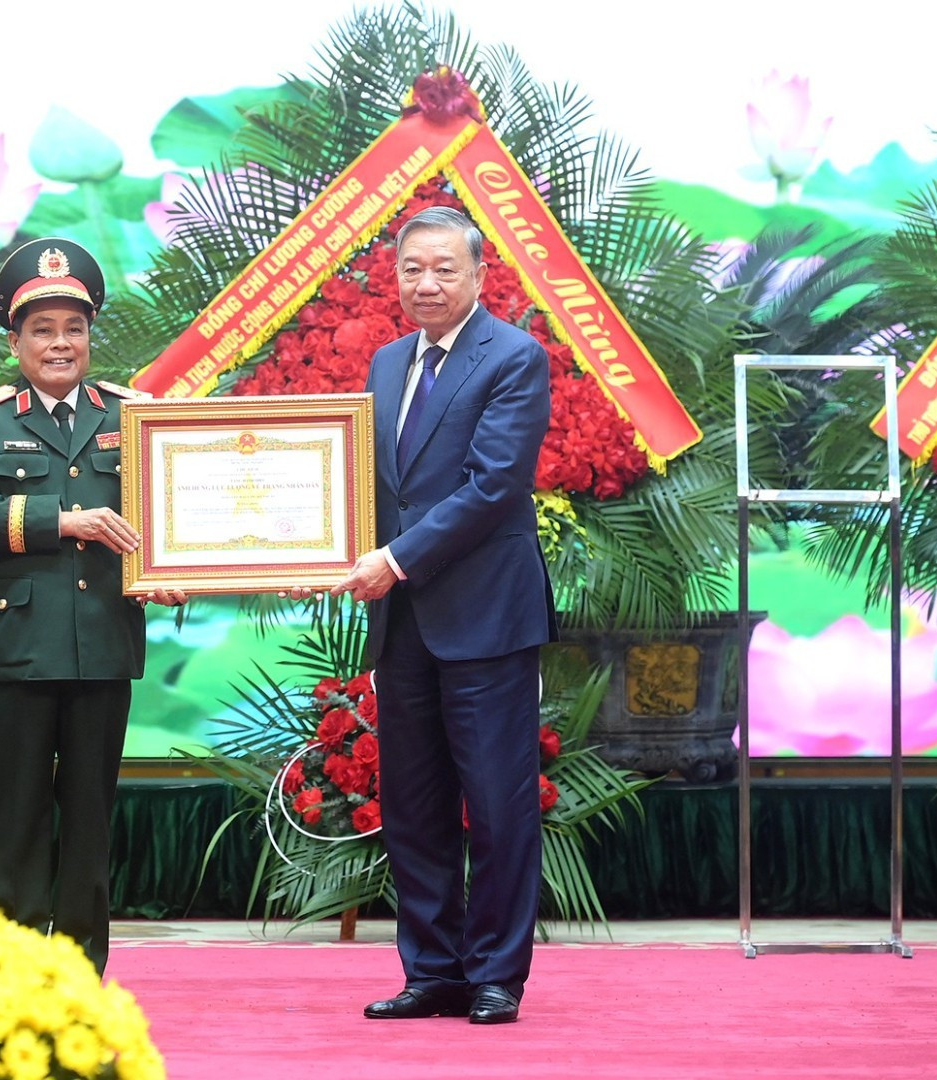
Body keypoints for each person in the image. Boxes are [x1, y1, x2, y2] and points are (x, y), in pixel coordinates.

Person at [331, 205, 555, 1024]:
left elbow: (493, 488)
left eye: (443, 270)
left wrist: (391, 561)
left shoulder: (514, 357)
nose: (426, 284)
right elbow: (366, 484)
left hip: (486, 616)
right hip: (404, 623)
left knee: (497, 803)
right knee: (414, 804)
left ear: (478, 274)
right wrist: (317, 556)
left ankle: (496, 974)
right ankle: (432, 970)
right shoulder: (388, 364)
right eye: (411, 271)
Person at [0, 238, 184, 974]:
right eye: (43, 330)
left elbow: (162, 522)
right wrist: (66, 520)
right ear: (14, 340)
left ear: (90, 336)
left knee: (90, 819)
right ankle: (16, 971)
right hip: (20, 648)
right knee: (17, 818)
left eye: (74, 329)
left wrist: (171, 569)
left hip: (102, 641)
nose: (60, 344)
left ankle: (82, 971)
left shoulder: (134, 416)